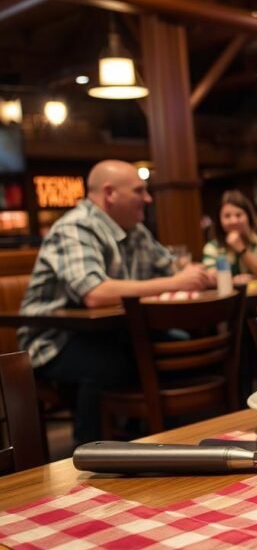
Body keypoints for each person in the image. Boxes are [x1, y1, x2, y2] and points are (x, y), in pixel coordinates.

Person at [18, 159, 214, 444]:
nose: (148, 198)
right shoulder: (75, 228)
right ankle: (89, 455)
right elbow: (95, 293)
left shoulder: (134, 230)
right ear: (109, 194)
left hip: (111, 333)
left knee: (177, 344)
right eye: (139, 191)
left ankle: (171, 443)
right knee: (110, 364)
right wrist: (175, 282)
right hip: (51, 341)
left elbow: (172, 268)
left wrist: (203, 275)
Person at [201, 190, 257, 283]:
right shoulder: (212, 247)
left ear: (248, 216)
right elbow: (211, 278)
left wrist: (241, 249)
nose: (233, 221)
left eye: (239, 215)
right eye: (227, 216)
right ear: (219, 221)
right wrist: (234, 281)